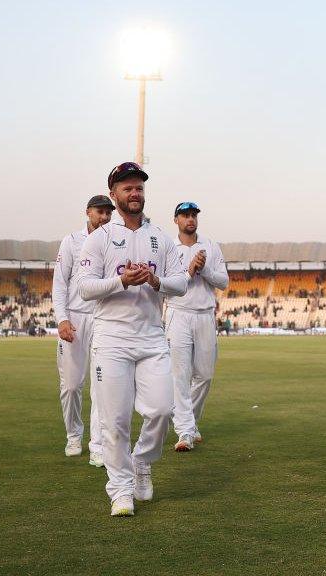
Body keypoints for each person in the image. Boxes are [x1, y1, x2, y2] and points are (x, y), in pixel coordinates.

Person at [77, 162, 188, 517]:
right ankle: (120, 489)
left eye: (139, 187)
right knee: (116, 420)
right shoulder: (100, 238)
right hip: (112, 338)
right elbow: (84, 288)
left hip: (153, 336)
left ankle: (142, 461)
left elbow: (181, 283)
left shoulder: (161, 238)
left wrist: (155, 282)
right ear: (114, 195)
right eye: (127, 188)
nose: (134, 193)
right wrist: (122, 281)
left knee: (160, 410)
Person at [53, 194, 114, 465]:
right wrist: (62, 318)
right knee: (72, 385)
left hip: (102, 318)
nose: (104, 217)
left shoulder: (115, 240)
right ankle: (73, 434)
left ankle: (98, 444)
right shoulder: (71, 242)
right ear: (88, 212)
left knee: (100, 386)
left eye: (108, 213)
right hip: (75, 319)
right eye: (100, 212)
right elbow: (59, 284)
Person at [165, 201, 229, 451]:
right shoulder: (169, 247)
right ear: (176, 220)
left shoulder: (210, 246)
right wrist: (189, 271)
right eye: (185, 215)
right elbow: (166, 284)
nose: (190, 219)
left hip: (204, 315)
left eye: (193, 215)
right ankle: (185, 432)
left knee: (205, 376)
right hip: (178, 313)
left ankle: (189, 422)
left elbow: (223, 281)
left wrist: (205, 271)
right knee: (180, 377)